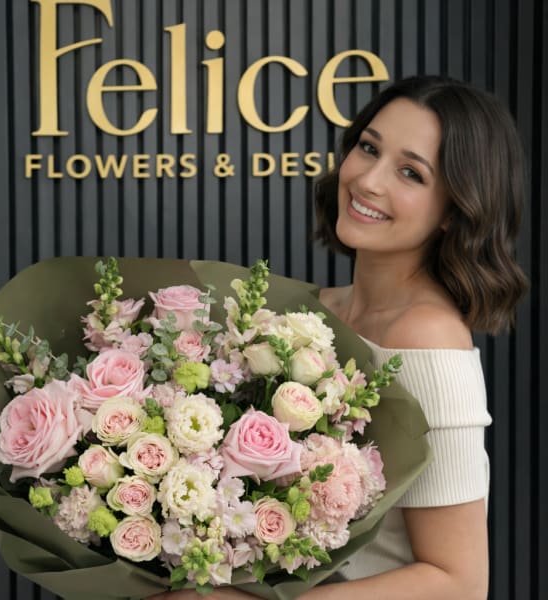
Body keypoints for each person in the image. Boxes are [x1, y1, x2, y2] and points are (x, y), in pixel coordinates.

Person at [150, 76, 528, 600]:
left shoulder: (428, 337)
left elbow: (459, 583)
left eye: (411, 172)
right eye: (369, 148)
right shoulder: (311, 313)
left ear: (454, 209)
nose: (368, 180)